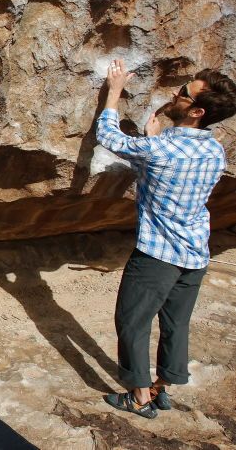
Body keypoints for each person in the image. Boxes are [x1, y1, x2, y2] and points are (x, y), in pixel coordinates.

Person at [97, 60, 236, 418]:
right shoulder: (214, 151)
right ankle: (163, 388)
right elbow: (160, 174)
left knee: (132, 322)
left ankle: (139, 396)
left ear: (197, 111)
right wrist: (152, 142)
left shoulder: (162, 150)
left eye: (184, 94)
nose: (175, 94)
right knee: (176, 323)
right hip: (194, 256)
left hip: (158, 255)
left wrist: (113, 92)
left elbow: (110, 139)